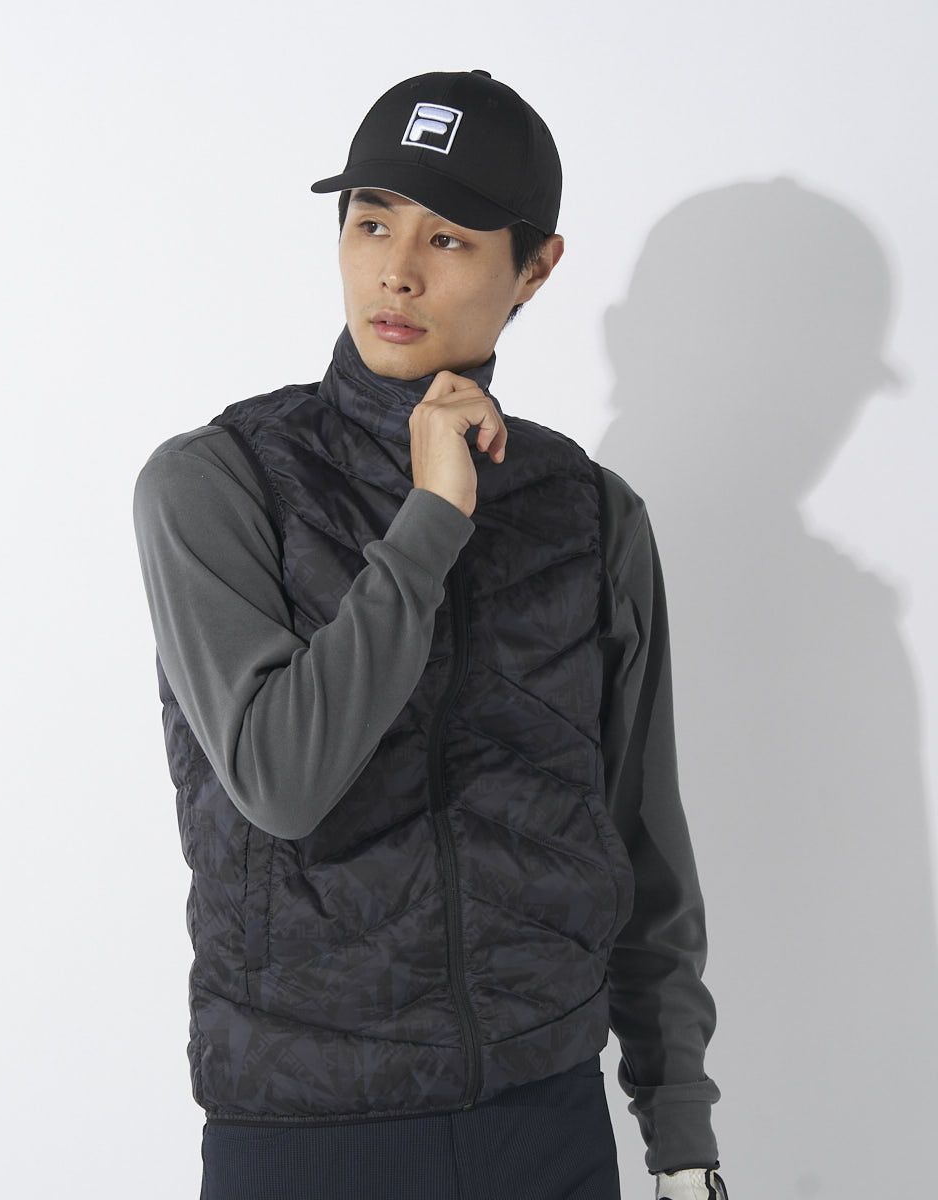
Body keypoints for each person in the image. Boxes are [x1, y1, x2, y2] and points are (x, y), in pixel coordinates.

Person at [133, 69, 729, 1200]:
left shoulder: (591, 516)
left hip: (547, 1123)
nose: (395, 271)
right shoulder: (216, 483)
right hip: (305, 1137)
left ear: (535, 269)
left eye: (449, 238)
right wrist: (432, 519)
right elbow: (281, 780)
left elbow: (640, 835)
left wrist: (681, 1130)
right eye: (371, 223)